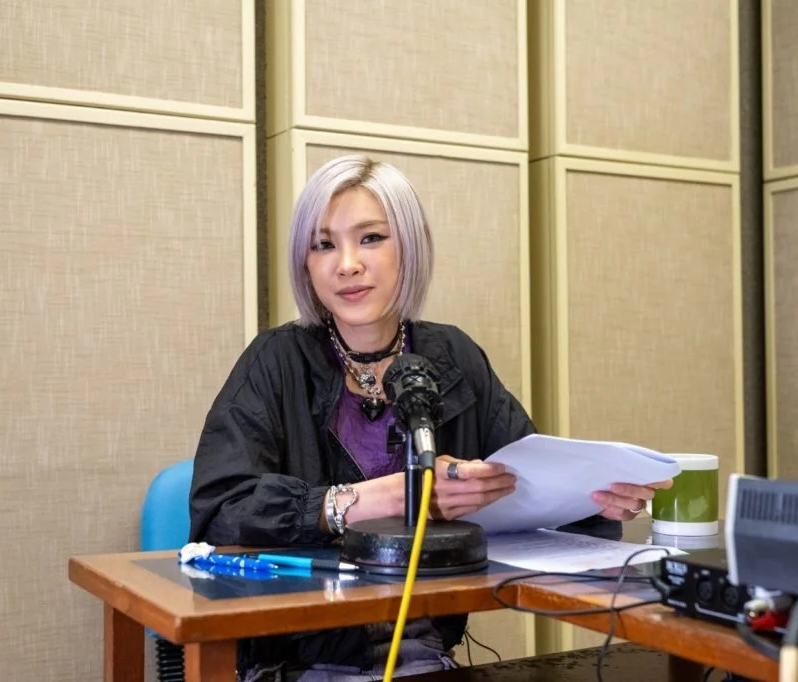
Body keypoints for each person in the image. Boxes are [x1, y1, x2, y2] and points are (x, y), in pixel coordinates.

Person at [188, 155, 672, 682]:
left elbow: (524, 480)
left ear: (410, 246)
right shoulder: (276, 361)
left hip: (424, 655)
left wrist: (588, 499)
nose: (346, 264)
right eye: (323, 244)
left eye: (370, 238)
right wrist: (389, 497)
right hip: (298, 660)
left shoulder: (452, 357)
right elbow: (220, 510)